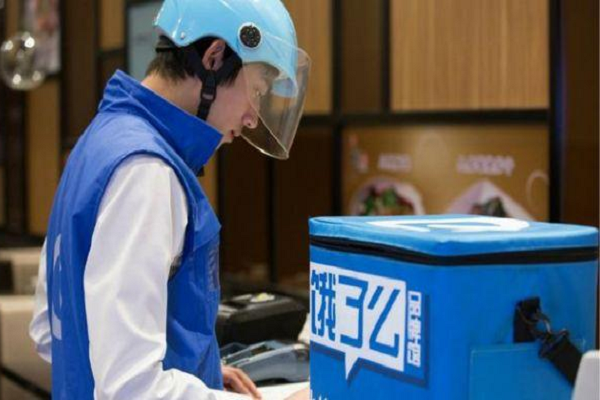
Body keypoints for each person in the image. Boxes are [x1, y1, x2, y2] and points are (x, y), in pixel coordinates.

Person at [28, 0, 311, 398]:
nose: (252, 117)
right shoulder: (146, 171)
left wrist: (197, 372)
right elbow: (131, 388)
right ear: (214, 57)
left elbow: (49, 330)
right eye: (257, 90)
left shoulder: (101, 140)